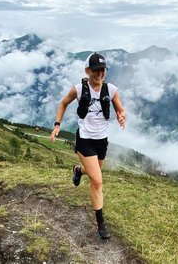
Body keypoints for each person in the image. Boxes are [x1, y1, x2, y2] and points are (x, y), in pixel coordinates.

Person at [50, 52, 126, 240]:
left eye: (103, 70)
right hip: (84, 139)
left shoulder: (111, 89)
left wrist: (121, 116)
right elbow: (63, 103)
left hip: (102, 140)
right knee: (98, 181)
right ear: (87, 71)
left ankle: (78, 171)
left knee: (94, 173)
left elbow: (120, 108)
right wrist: (57, 125)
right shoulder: (78, 89)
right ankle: (101, 223)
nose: (100, 74)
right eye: (96, 71)